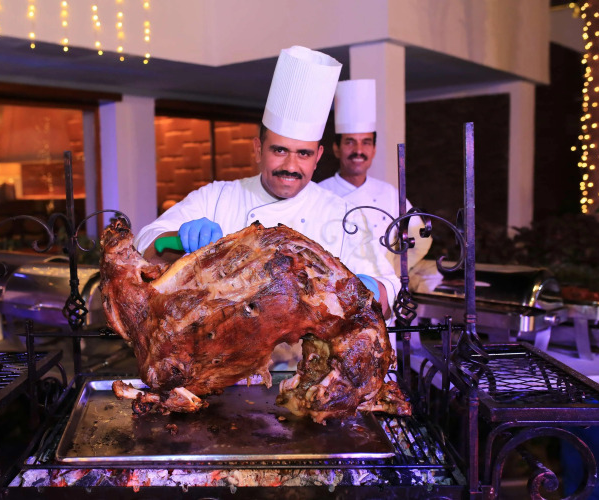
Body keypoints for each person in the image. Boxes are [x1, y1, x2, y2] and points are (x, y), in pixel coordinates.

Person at [135, 46, 400, 318]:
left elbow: (389, 289)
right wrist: (176, 240)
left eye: (304, 154)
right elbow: (145, 245)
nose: (291, 166)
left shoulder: (343, 215)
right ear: (258, 150)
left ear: (318, 157)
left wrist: (371, 290)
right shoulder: (216, 197)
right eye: (280, 150)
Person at [319, 79, 434, 289]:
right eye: (350, 142)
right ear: (336, 148)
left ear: (374, 150)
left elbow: (420, 237)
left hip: (382, 289)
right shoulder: (320, 193)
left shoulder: (388, 193)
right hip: (333, 291)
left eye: (366, 143)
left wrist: (393, 272)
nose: (358, 150)